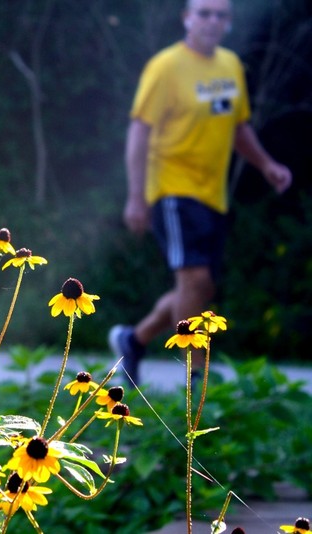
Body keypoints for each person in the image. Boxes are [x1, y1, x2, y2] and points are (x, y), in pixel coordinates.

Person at [108, 0, 292, 384]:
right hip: (172, 188)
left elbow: (238, 126)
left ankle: (134, 340)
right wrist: (136, 196)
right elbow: (139, 131)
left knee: (200, 286)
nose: (212, 20)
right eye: (204, 13)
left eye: (220, 14)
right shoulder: (166, 67)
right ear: (187, 18)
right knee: (193, 282)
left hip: (213, 195)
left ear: (228, 22)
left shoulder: (230, 66)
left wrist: (267, 164)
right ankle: (194, 376)